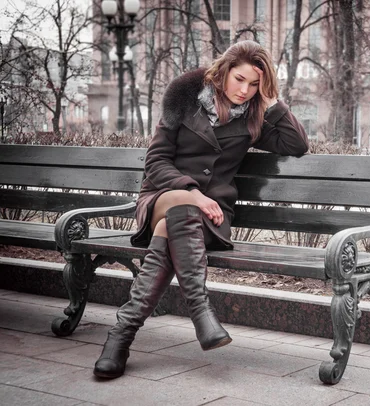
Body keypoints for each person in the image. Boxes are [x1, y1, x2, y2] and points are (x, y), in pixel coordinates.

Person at [94, 40, 309, 379]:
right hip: (161, 197)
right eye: (240, 79)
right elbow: (156, 161)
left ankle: (119, 339)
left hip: (211, 215)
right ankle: (201, 312)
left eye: (254, 84)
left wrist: (270, 101)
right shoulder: (183, 100)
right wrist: (192, 193)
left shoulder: (253, 114)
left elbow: (296, 144)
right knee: (179, 209)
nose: (245, 90)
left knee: (178, 222)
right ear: (223, 71)